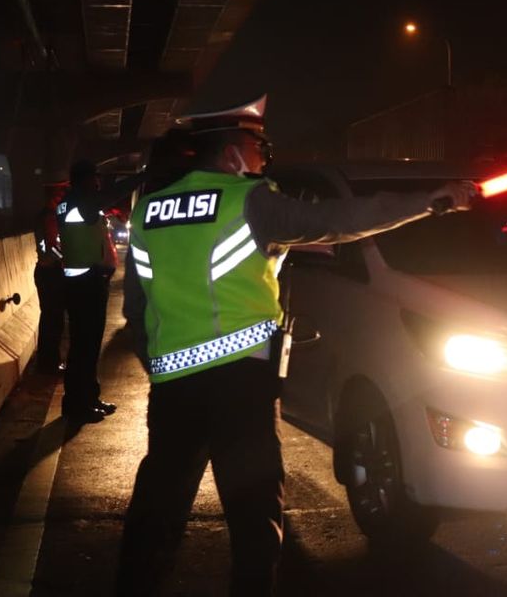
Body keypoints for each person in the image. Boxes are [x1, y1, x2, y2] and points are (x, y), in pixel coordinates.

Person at [116, 95, 476, 596]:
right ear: (232, 154)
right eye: (258, 147)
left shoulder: (149, 211)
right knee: (253, 520)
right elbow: (340, 218)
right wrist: (432, 200)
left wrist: (160, 365)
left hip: (173, 389)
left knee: (157, 513)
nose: (265, 158)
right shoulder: (250, 200)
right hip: (239, 389)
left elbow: (135, 307)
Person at [57, 159, 142, 423]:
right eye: (94, 178)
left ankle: (89, 397)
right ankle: (76, 404)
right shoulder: (79, 202)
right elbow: (110, 195)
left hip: (86, 281)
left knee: (89, 345)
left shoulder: (75, 203)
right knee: (84, 346)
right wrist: (143, 175)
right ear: (85, 180)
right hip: (84, 283)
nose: (97, 183)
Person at [32, 181, 68, 374]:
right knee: (53, 320)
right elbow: (53, 246)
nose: (63, 195)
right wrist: (68, 258)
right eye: (61, 192)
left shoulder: (43, 216)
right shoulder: (50, 217)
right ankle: (50, 363)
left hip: (45, 271)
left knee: (49, 318)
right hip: (51, 272)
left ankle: (47, 362)